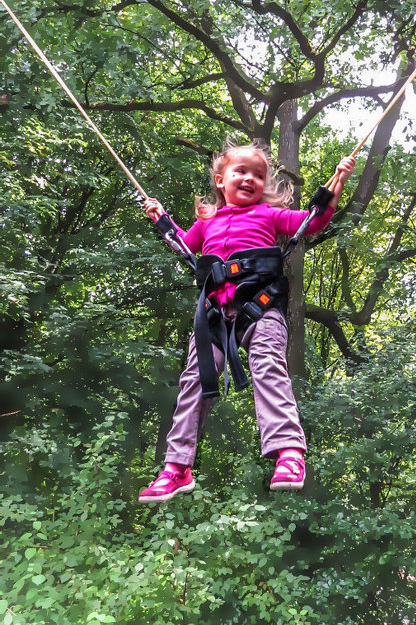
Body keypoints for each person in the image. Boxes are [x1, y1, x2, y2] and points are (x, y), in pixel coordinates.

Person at [138, 142, 355, 502]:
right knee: (194, 378)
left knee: (268, 364)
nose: (250, 179)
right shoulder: (207, 221)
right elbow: (183, 246)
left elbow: (310, 221)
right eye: (241, 172)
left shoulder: (269, 216)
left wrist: (335, 186)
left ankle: (288, 452)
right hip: (214, 316)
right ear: (221, 181)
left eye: (258, 174)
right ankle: (176, 468)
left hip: (261, 308)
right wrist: (161, 219)